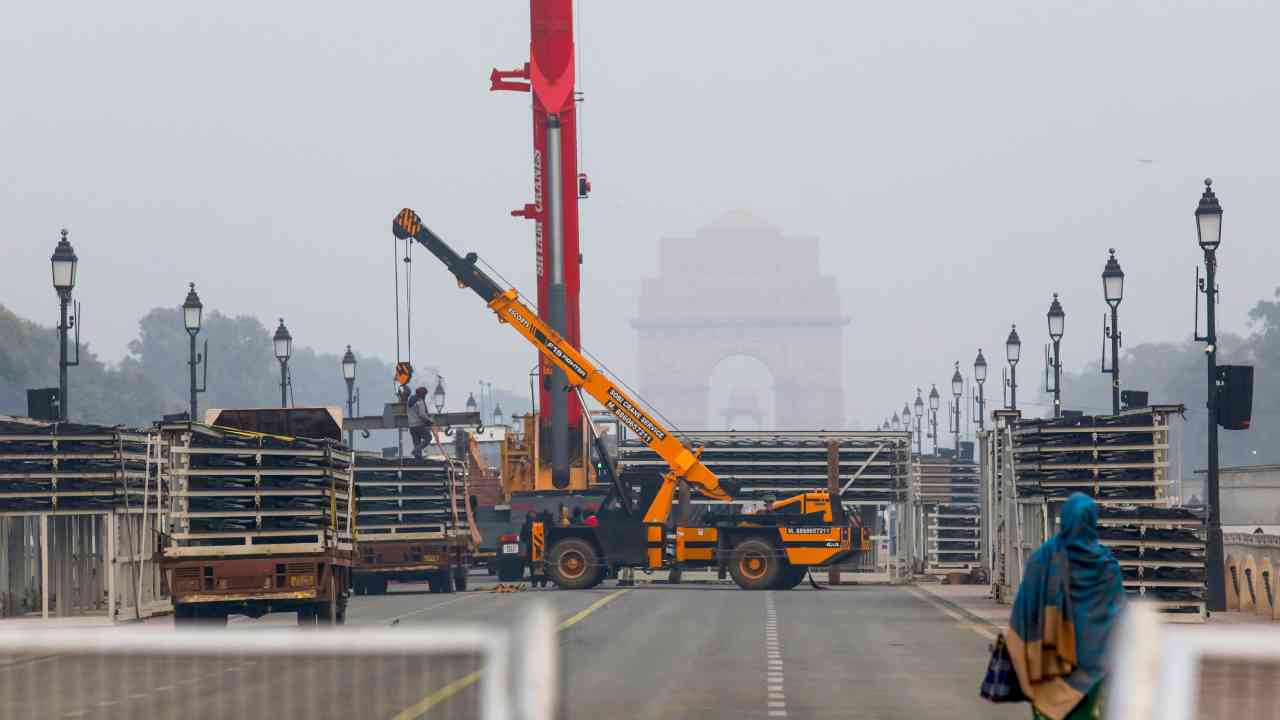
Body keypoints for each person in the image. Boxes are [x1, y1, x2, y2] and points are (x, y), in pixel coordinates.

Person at [1006, 493, 1124, 720]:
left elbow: (1024, 610)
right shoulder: (1106, 565)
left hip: (1049, 663)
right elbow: (1120, 616)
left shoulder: (1043, 559)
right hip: (1093, 667)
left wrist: (1020, 650)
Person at [407, 387, 433, 459]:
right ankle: (416, 450)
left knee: (416, 442)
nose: (425, 397)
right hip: (419, 425)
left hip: (411, 426)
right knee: (428, 438)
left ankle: (418, 458)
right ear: (423, 394)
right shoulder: (420, 401)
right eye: (425, 395)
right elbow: (422, 414)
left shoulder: (409, 401)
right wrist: (429, 420)